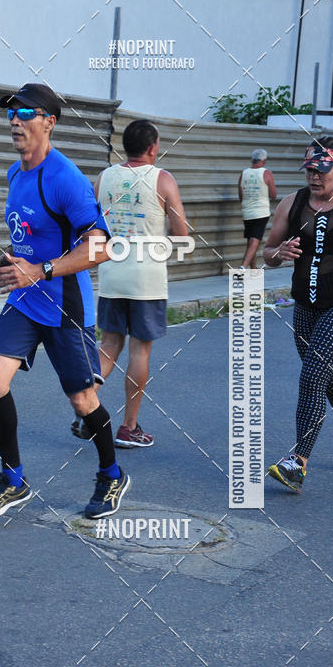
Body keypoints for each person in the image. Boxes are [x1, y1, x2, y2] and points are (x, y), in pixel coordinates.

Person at [0, 83, 130, 520]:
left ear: (49, 121)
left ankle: (111, 474)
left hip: (64, 305)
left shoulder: (66, 179)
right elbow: (30, 236)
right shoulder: (15, 173)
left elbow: (100, 248)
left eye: (26, 113)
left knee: (82, 401)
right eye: (11, 114)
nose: (15, 121)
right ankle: (13, 479)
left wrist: (39, 270)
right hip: (26, 300)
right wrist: (9, 262)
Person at [71, 119, 189, 448]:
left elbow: (91, 225)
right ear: (152, 147)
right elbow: (182, 234)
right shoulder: (162, 179)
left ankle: (85, 406)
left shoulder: (104, 177)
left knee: (109, 345)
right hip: (146, 279)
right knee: (140, 349)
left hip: (111, 272)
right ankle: (129, 427)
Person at [264, 137, 333, 492]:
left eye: (322, 169)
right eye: (309, 169)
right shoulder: (291, 204)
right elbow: (267, 253)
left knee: (312, 376)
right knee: (329, 381)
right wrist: (280, 252)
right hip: (305, 305)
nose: (314, 176)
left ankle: (297, 463)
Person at [238, 148, 276, 268]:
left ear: (252, 160)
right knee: (255, 240)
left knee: (250, 242)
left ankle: (253, 270)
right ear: (264, 160)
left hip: (247, 212)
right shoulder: (266, 173)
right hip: (261, 212)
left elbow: (241, 195)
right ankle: (242, 267)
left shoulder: (244, 173)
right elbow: (273, 195)